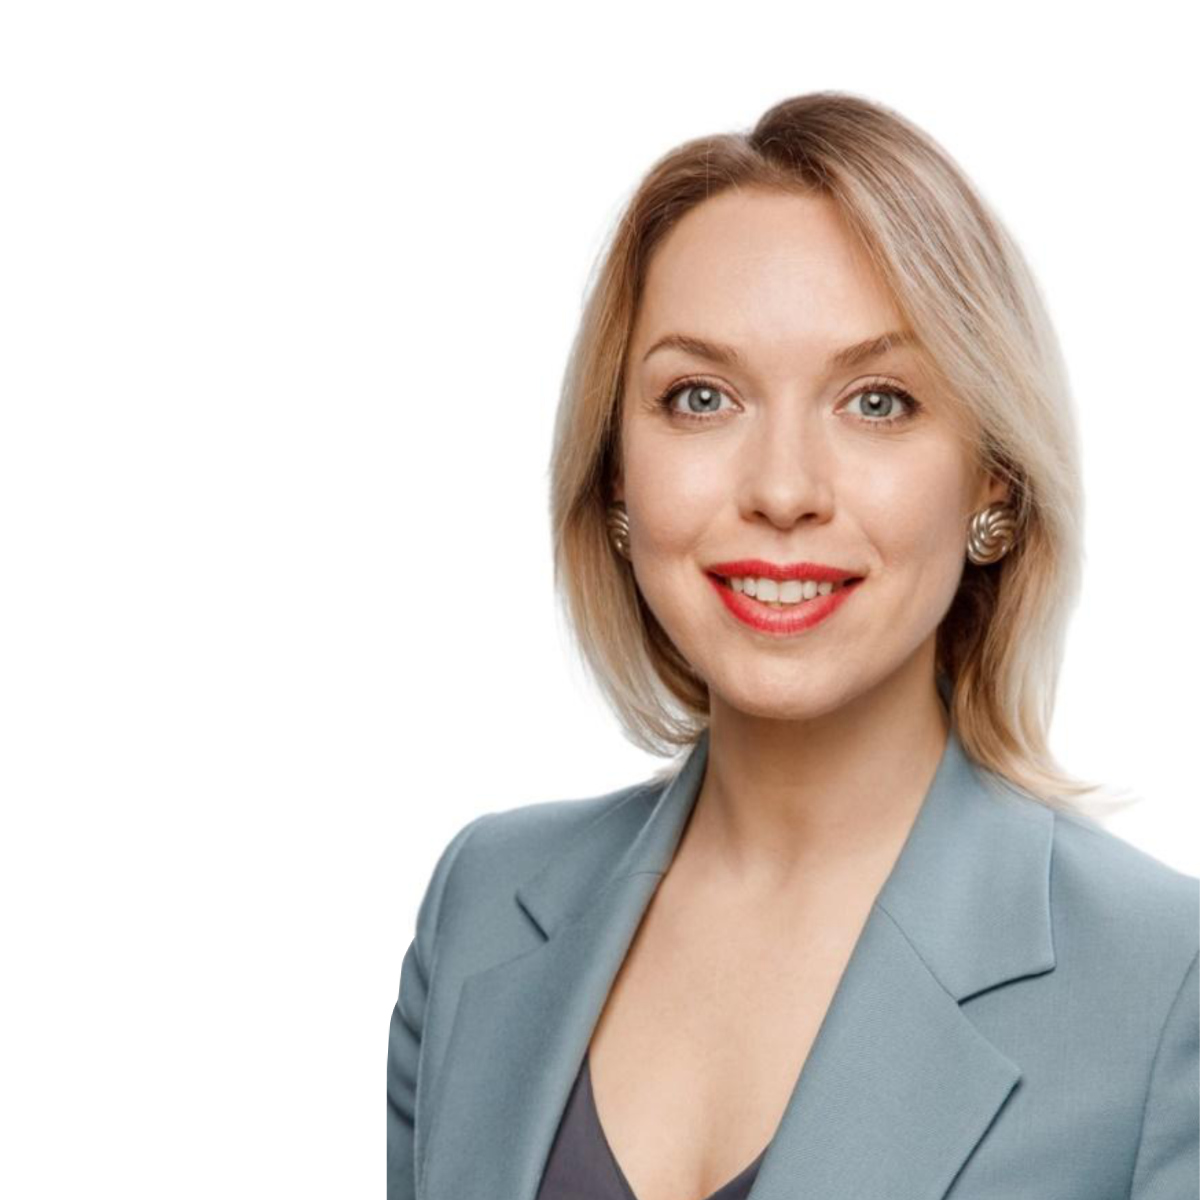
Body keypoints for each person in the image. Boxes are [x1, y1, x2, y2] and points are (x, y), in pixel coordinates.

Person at [386, 91, 1199, 1200]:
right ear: (617, 472)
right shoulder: (481, 904)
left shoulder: (1164, 986)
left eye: (877, 402)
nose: (781, 490)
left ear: (994, 484)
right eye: (701, 397)